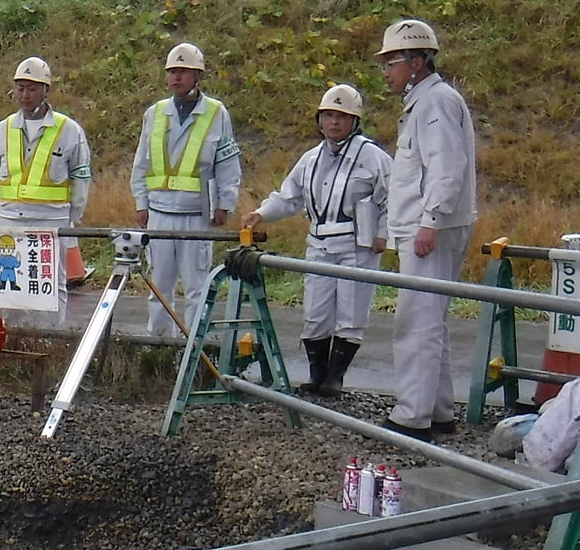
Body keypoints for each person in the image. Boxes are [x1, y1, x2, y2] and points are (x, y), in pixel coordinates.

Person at [241, 84, 392, 398]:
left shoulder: (373, 157)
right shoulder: (310, 159)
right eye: (329, 115)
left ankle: (335, 378)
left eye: (342, 116)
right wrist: (261, 213)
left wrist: (383, 234)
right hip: (320, 243)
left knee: (351, 314)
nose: (334, 122)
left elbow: (394, 199)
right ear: (319, 119)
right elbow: (288, 196)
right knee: (315, 313)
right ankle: (316, 374)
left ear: (355, 121)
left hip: (357, 245)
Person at [376, 18, 477, 439]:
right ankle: (438, 410)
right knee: (431, 319)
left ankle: (412, 415)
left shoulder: (434, 102)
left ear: (417, 61)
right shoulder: (426, 101)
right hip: (427, 225)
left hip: (430, 228)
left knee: (417, 320)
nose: (386, 71)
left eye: (392, 62)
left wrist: (429, 221)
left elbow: (446, 167)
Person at [130, 43, 241, 339]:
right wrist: (141, 202)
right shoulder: (155, 114)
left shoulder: (216, 113)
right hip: (160, 214)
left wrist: (225, 204)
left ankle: (194, 347)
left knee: (197, 287)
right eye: (172, 72)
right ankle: (159, 343)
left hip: (197, 215)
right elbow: (141, 163)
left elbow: (227, 164)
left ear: (197, 76)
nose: (176, 78)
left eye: (183, 72)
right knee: (159, 286)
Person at [0, 56, 91, 330]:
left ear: (46, 91)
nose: (25, 94)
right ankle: (12, 340)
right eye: (20, 88)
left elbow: (81, 178)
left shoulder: (69, 131)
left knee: (52, 285)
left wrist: (70, 218)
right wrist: (2, 210)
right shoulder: (1, 130)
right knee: (9, 287)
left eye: (31, 88)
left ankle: (50, 339)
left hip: (52, 221)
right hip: (10, 219)